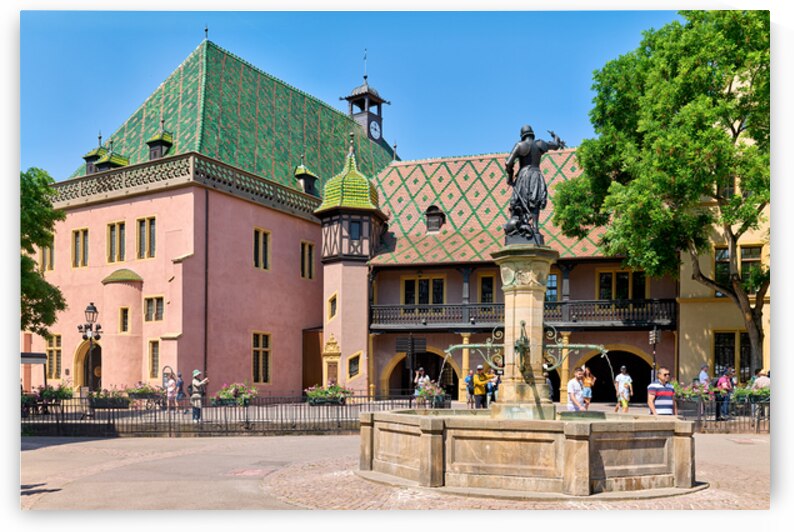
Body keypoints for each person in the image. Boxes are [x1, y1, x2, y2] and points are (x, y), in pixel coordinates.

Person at [504, 125, 565, 244]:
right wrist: (555, 136)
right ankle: (535, 228)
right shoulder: (540, 144)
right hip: (536, 175)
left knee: (519, 202)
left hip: (524, 175)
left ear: (522, 136)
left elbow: (508, 163)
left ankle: (519, 227)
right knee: (535, 202)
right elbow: (556, 145)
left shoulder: (520, 146)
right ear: (532, 134)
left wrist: (510, 177)